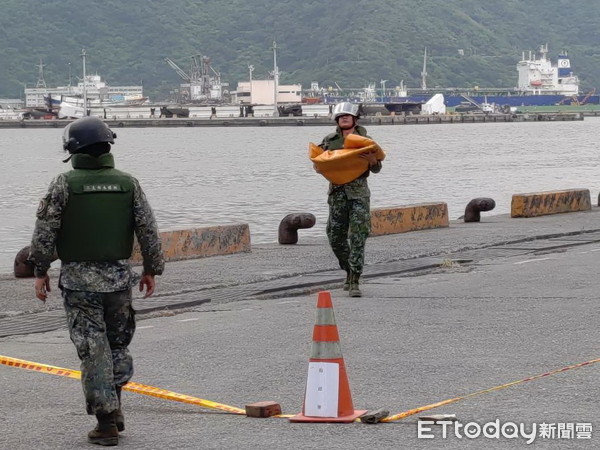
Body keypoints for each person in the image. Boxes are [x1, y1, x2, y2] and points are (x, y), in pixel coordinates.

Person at [29, 116, 164, 446]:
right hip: (119, 282)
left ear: (73, 150)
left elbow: (45, 233)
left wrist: (40, 270)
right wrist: (151, 269)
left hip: (79, 285)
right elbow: (148, 230)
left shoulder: (63, 183)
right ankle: (115, 408)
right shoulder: (128, 183)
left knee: (93, 350)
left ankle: (106, 423)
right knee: (117, 345)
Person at [317, 102, 382, 297]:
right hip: (337, 194)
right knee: (335, 236)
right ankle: (348, 269)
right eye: (341, 116)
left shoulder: (365, 140)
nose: (344, 118)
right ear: (336, 120)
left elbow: (377, 168)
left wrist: (372, 161)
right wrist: (319, 167)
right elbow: (319, 162)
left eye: (348, 116)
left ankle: (355, 279)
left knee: (358, 235)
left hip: (359, 194)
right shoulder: (329, 140)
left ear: (355, 119)